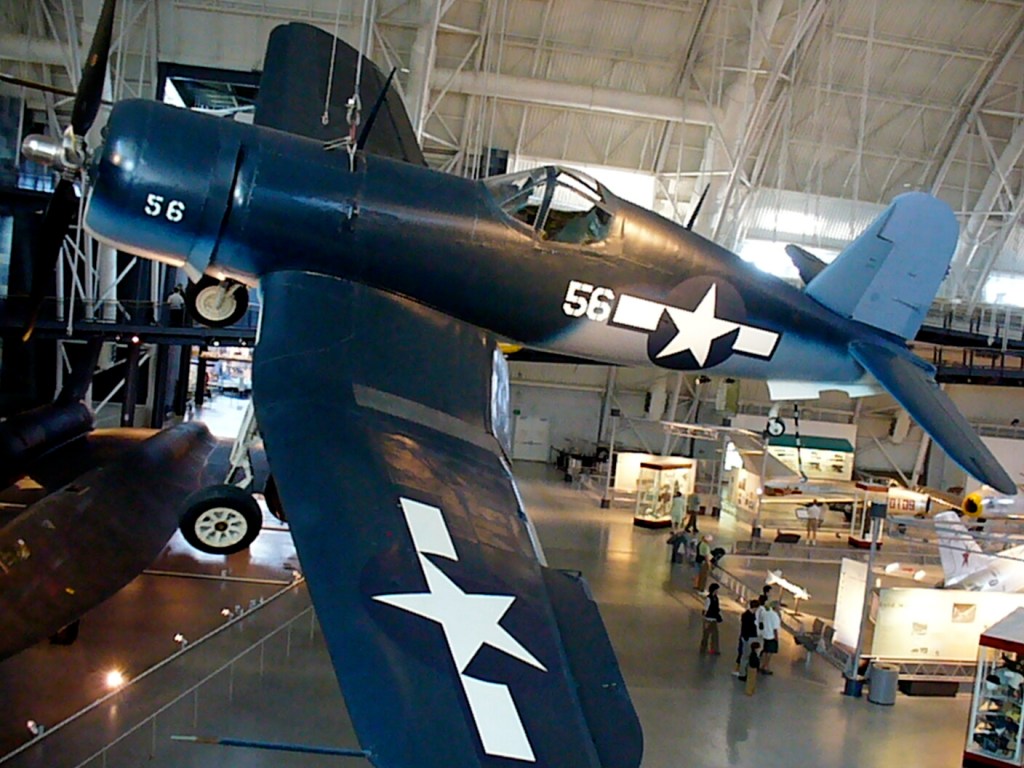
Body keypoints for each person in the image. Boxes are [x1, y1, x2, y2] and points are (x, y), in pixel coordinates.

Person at [733, 599, 759, 679]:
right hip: (748, 638)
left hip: (751, 637)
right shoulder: (747, 616)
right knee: (745, 656)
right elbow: (746, 628)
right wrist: (746, 638)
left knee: (747, 656)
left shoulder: (751, 615)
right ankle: (742, 674)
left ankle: (744, 672)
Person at [759, 600, 782, 674]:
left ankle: (762, 665)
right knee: (770, 653)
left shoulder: (766, 613)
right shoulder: (775, 616)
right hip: (772, 636)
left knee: (765, 651)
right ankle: (766, 666)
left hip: (765, 634)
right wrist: (776, 638)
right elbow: (775, 628)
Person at [700, 583, 723, 654]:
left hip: (714, 619)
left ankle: (714, 649)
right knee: (706, 635)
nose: (717, 591)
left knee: (715, 635)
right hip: (709, 619)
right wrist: (705, 618)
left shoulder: (716, 598)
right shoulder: (709, 598)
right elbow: (706, 608)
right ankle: (703, 648)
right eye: (716, 590)